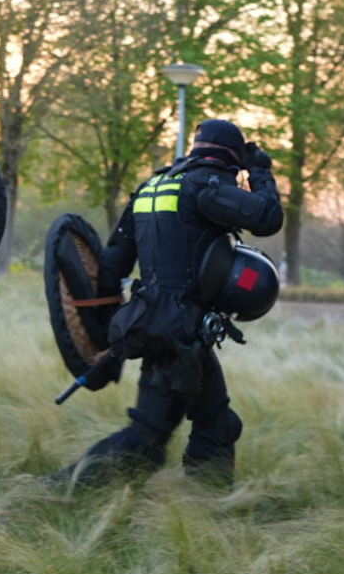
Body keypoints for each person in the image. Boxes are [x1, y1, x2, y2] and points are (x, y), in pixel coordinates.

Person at [51, 118, 283, 487]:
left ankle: (209, 507)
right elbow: (269, 217)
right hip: (179, 335)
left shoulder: (151, 187)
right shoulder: (205, 186)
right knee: (145, 442)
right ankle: (58, 490)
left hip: (157, 325)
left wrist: (121, 326)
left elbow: (112, 264)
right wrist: (260, 169)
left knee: (217, 423)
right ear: (230, 159)